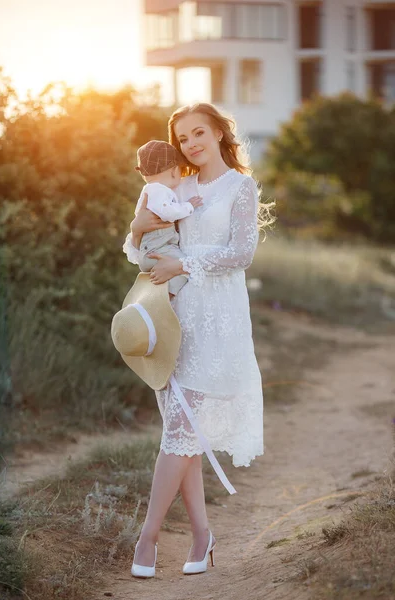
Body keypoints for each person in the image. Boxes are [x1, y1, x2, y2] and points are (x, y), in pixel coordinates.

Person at [123, 102, 275, 577]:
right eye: (182, 137)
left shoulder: (240, 186)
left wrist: (183, 263)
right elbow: (137, 247)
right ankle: (202, 535)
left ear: (218, 133)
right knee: (181, 429)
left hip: (220, 319)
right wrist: (137, 229)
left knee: (181, 433)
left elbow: (241, 253)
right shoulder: (175, 186)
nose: (190, 144)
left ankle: (146, 539)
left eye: (197, 133)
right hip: (175, 318)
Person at [123, 140, 203, 300]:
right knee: (185, 267)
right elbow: (167, 213)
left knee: (181, 268)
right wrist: (188, 206)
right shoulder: (159, 190)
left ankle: (160, 297)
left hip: (150, 250)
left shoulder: (150, 190)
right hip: (159, 249)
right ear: (174, 171)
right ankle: (165, 299)